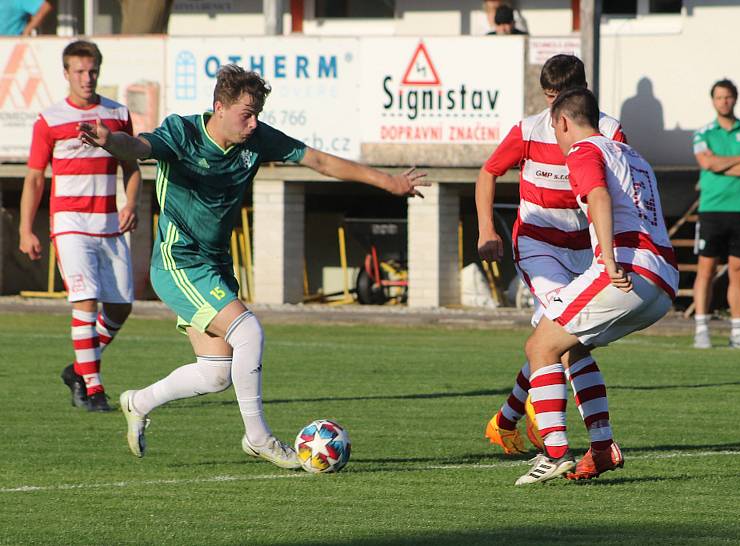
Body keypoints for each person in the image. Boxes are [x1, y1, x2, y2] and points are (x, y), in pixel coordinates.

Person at [77, 64, 428, 467]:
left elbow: (319, 161)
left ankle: (139, 402)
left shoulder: (256, 139)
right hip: (179, 260)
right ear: (219, 108)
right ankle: (259, 437)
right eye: (247, 113)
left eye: (258, 113)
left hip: (216, 263)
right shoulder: (183, 133)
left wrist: (390, 183)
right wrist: (110, 142)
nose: (254, 122)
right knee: (249, 331)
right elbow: (137, 147)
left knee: (215, 374)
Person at [515, 87, 678, 485]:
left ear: (564, 122)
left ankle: (554, 454)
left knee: (540, 345)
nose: (554, 137)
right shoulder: (632, 155)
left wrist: (607, 257)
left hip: (626, 267)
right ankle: (602, 450)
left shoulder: (584, 151)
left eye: (554, 128)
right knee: (571, 347)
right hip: (664, 279)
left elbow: (599, 196)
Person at [477, 55, 626, 459]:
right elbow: (488, 172)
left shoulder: (609, 132)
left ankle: (507, 420)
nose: (554, 107)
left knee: (561, 338)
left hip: (584, 248)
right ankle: (557, 437)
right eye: (548, 96)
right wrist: (486, 229)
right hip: (537, 245)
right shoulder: (528, 129)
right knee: (568, 339)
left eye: (561, 96)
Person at [19, 40, 141, 412]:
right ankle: (93, 388)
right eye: (79, 72)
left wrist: (131, 203)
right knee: (85, 301)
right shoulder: (50, 120)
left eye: (92, 72)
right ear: (67, 74)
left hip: (109, 223)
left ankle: (78, 368)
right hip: (70, 224)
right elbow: (35, 178)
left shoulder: (117, 113)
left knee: (121, 307)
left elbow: (132, 165)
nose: (87, 78)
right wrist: (26, 229)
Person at [692, 79, 740, 350]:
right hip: (711, 209)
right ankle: (701, 329)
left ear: (735, 99)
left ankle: (737, 332)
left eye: (728, 97)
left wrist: (722, 164)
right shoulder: (703, 133)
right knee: (706, 269)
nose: (724, 101)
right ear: (713, 101)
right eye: (719, 97)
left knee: (739, 270)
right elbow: (706, 162)